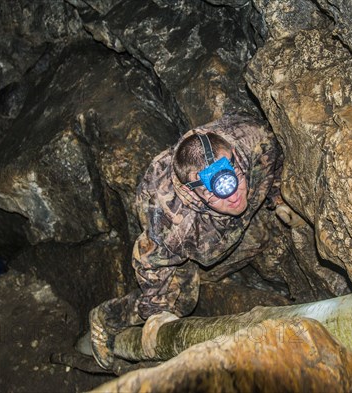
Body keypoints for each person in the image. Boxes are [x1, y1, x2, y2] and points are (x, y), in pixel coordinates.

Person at [89, 113, 291, 369]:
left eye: (235, 178)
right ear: (192, 191)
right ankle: (106, 317)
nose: (233, 197)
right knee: (181, 299)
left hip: (223, 231)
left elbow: (273, 159)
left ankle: (207, 276)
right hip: (190, 238)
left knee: (258, 239)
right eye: (213, 193)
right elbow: (148, 260)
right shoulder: (168, 220)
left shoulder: (254, 139)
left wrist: (277, 196)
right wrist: (157, 313)